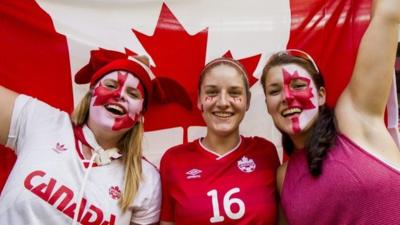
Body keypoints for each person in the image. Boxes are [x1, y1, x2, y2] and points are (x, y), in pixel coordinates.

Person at [261, 0, 400, 224]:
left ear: (322, 95)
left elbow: (388, 15)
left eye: (298, 85)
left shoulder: (355, 117)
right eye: (275, 91)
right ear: (267, 105)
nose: (287, 96)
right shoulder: (283, 177)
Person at [0, 49, 162, 225]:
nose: (119, 95)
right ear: (91, 93)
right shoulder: (42, 121)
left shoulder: (146, 179)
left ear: (140, 115)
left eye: (132, 94)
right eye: (110, 85)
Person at [159, 57, 280, 225]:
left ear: (248, 101)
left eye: (234, 93)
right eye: (212, 92)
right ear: (199, 100)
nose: (223, 103)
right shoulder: (173, 160)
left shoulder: (266, 153)